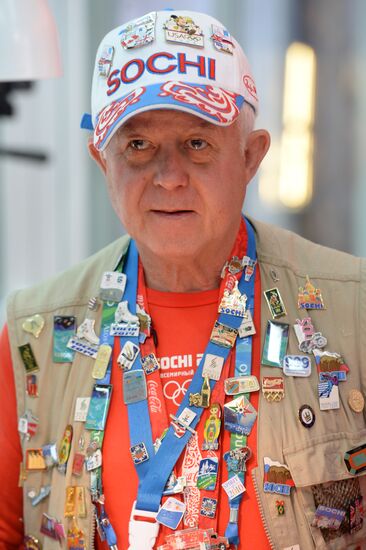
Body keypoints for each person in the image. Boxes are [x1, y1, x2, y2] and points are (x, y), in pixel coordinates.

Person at [0, 8, 365, 550]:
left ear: (250, 156)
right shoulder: (33, 332)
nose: (168, 177)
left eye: (197, 143)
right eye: (138, 145)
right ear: (103, 161)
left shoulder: (352, 310)